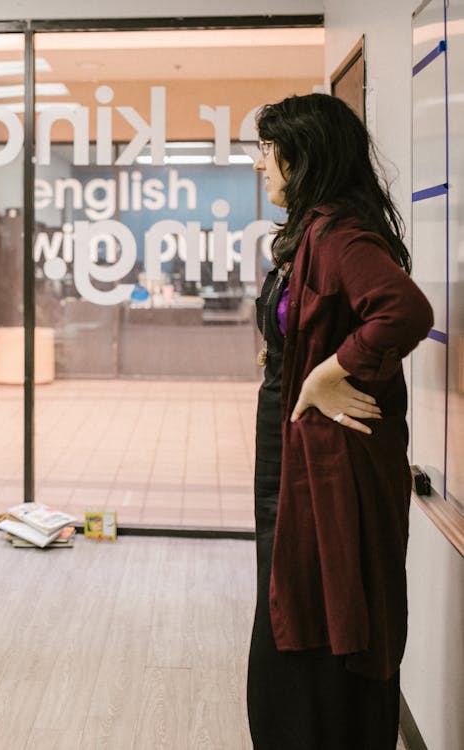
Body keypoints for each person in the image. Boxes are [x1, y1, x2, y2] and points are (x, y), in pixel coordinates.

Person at [248, 93, 433, 749]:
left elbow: (404, 312)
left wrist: (329, 372)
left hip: (331, 465)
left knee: (322, 615)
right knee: (294, 605)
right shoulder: (314, 233)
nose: (259, 167)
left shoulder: (339, 234)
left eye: (266, 154)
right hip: (297, 452)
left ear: (301, 160)